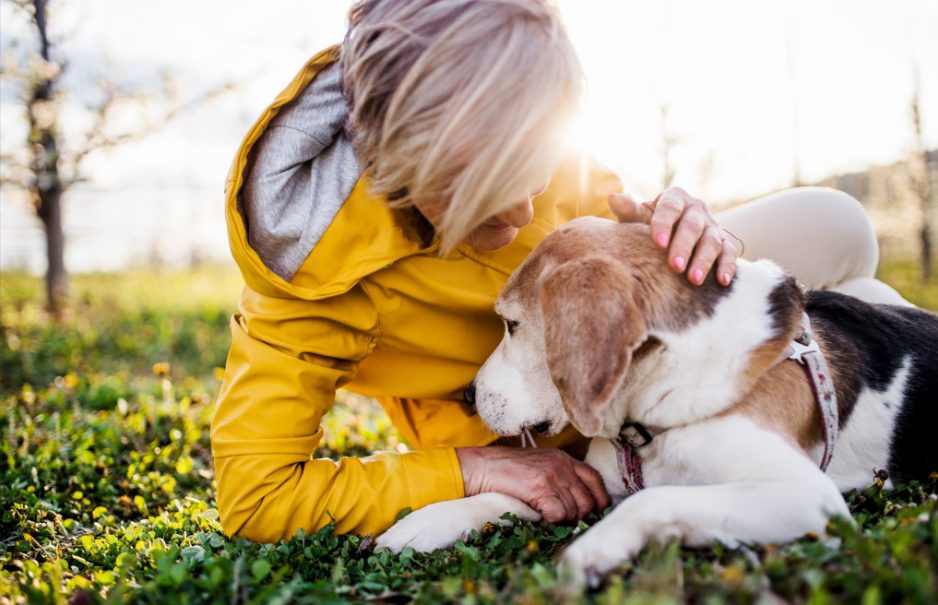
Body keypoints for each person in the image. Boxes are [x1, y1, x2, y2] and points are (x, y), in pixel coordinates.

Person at [211, 0, 907, 544]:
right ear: (401, 160)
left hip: (636, 357)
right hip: (521, 419)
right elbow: (257, 494)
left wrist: (677, 225)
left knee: (839, 226)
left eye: (534, 172)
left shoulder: (533, 127)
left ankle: (845, 383)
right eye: (486, 192)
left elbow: (612, 231)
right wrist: (474, 469)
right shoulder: (307, 265)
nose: (524, 209)